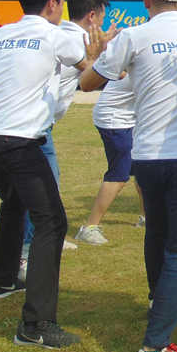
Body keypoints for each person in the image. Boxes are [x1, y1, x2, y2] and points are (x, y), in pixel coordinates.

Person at [79, 0, 177, 352]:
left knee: (157, 233)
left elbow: (87, 83)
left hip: (149, 156)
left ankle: (160, 299)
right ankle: (154, 348)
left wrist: (95, 56)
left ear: (146, 1)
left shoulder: (133, 36)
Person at [0, 0, 104, 349]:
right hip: (18, 140)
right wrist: (98, 56)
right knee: (52, 223)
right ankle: (36, 325)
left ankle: (2, 280)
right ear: (53, 3)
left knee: (14, 203)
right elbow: (89, 75)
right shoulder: (56, 35)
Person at [18, 0, 112, 274]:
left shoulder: (61, 35)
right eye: (102, 18)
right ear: (92, 16)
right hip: (35, 127)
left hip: (36, 124)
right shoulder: (77, 40)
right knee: (42, 189)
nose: (103, 24)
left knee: (42, 187)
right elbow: (98, 76)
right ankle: (27, 251)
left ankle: (44, 240)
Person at [75, 73, 145, 244]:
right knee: (119, 175)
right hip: (115, 120)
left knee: (142, 168)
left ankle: (147, 218)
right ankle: (89, 228)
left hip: (130, 118)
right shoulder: (149, 63)